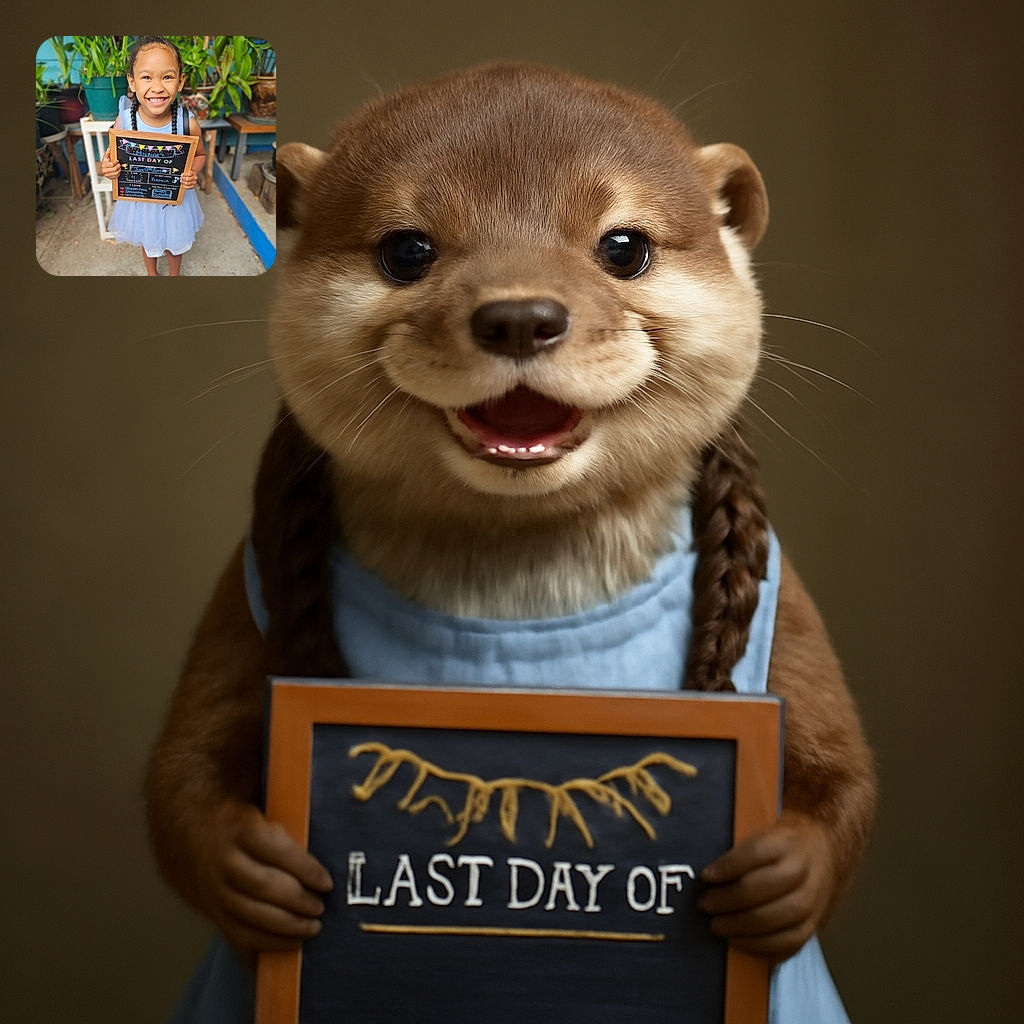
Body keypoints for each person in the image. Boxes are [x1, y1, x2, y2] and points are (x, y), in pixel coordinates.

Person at [100, 36, 205, 276]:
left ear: (180, 81)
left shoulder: (187, 125)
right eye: (146, 77)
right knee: (148, 239)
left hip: (174, 200)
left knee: (175, 242)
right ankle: (152, 274)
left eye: (167, 77)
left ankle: (174, 275)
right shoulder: (124, 122)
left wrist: (193, 172)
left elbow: (200, 154)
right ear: (132, 82)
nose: (157, 87)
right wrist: (108, 169)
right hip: (141, 201)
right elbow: (111, 159)